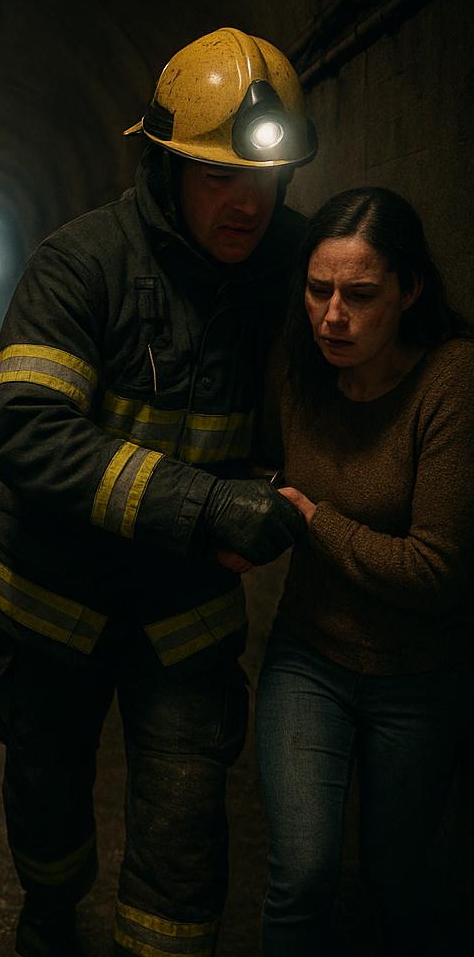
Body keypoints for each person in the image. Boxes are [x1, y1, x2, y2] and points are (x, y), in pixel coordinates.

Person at [0, 27, 316, 956]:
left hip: (183, 612)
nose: (248, 202)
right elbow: (28, 430)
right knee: (47, 801)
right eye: (220, 178)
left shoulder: (291, 264)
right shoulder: (83, 263)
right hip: (55, 601)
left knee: (183, 826)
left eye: (266, 178)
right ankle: (51, 918)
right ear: (163, 169)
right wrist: (205, 504)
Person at [255, 187, 474, 954]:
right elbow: (262, 469)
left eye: (360, 295)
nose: (333, 316)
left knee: (397, 886)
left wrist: (312, 519)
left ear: (410, 291)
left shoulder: (451, 382)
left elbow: (435, 568)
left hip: (419, 676)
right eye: (319, 290)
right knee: (302, 877)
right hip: (308, 657)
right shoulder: (299, 366)